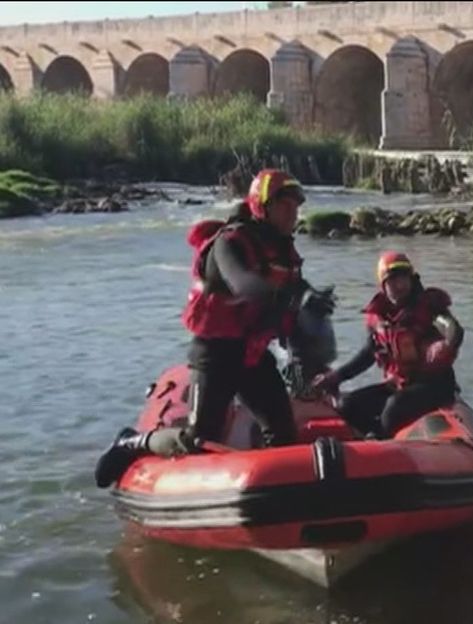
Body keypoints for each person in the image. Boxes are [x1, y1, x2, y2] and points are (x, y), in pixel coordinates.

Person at [95, 169, 311, 487]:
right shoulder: (229, 244)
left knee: (283, 432)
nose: (293, 213)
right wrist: (288, 298)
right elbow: (243, 284)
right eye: (285, 205)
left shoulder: (284, 253)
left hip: (250, 354)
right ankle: (132, 442)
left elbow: (291, 306)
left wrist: (308, 307)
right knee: (198, 440)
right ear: (262, 206)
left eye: (295, 207)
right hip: (215, 353)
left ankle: (277, 493)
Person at [312, 252, 464, 437]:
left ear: (411, 279)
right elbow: (368, 354)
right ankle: (374, 439)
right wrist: (337, 376)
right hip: (400, 384)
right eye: (392, 281)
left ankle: (381, 440)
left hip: (434, 385)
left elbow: (454, 329)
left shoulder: (429, 307)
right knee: (347, 405)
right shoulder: (379, 317)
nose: (400, 285)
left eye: (403, 279)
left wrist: (447, 344)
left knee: (393, 407)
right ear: (383, 285)